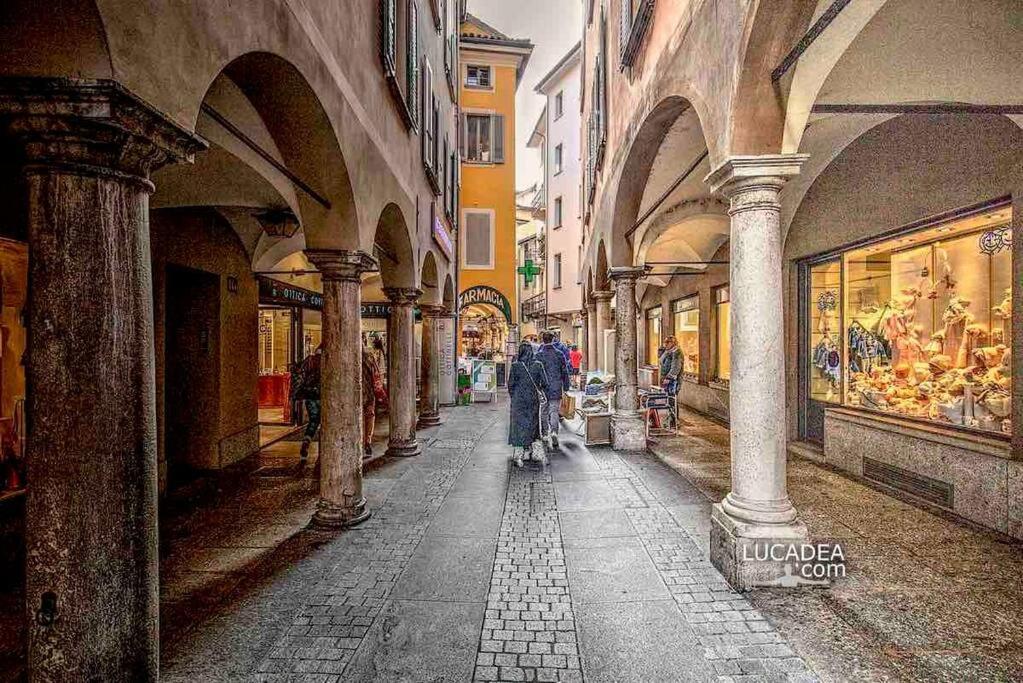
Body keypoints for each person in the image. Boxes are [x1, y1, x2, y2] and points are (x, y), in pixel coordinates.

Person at [507, 342, 548, 467]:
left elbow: (510, 385)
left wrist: (514, 397)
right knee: (533, 424)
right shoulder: (538, 365)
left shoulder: (515, 366)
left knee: (518, 425)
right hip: (532, 400)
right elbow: (545, 383)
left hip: (518, 401)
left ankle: (518, 454)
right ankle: (534, 452)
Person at [536, 331, 571, 449]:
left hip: (543, 387)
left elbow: (536, 372)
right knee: (554, 411)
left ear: (543, 340)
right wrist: (566, 386)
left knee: (544, 410)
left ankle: (545, 433)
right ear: (553, 339)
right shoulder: (559, 354)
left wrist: (536, 386)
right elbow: (564, 371)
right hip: (556, 386)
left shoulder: (539, 355)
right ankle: (554, 432)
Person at [294, 344, 322, 460]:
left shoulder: (309, 360)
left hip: (310, 396)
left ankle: (306, 441)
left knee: (313, 421)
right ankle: (323, 448)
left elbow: (301, 376)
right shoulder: (327, 360)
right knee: (327, 422)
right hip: (323, 395)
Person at [362, 349, 382, 457]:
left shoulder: (349, 352)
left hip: (354, 394)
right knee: (369, 417)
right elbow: (376, 374)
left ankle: (360, 442)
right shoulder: (369, 356)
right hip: (369, 393)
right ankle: (367, 442)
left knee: (358, 418)